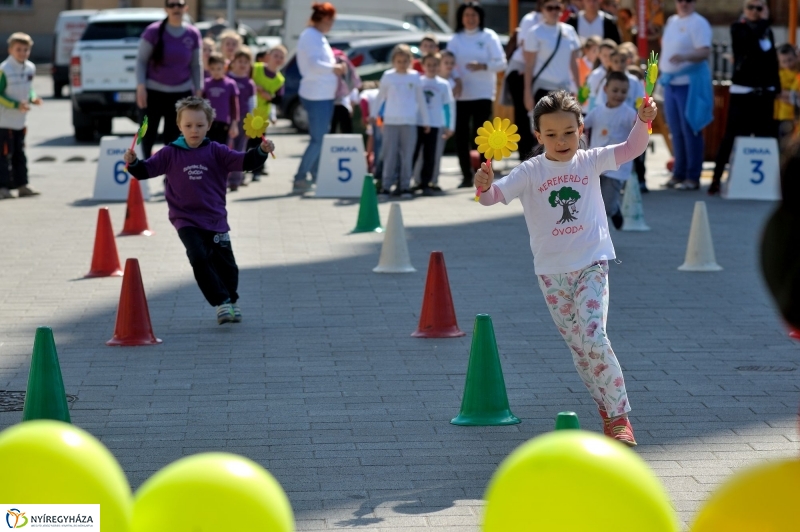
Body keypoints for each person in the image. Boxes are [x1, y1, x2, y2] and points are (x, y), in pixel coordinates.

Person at [474, 90, 658, 446]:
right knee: (580, 350)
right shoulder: (530, 171)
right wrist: (482, 186)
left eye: (569, 132)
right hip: (551, 273)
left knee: (594, 338)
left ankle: (620, 416)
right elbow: (492, 196)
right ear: (538, 136)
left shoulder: (589, 161)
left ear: (581, 128)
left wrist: (644, 119)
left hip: (591, 265)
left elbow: (632, 148)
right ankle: (605, 410)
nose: (562, 140)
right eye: (552, 134)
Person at [124, 97, 274, 325]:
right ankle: (221, 302)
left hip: (215, 218)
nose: (194, 130)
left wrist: (261, 151)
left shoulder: (217, 151)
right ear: (179, 126)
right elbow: (145, 171)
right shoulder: (170, 153)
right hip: (185, 220)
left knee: (227, 266)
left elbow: (245, 162)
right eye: (188, 126)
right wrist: (134, 162)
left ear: (209, 125)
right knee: (198, 257)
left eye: (200, 125)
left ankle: (232, 299)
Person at [708, 0, 779, 195]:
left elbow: (772, 61)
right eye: (751, 7)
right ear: (744, 9)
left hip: (764, 92)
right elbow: (748, 48)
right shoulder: (738, 28)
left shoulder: (768, 32)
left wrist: (777, 87)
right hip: (742, 92)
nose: (755, 12)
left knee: (766, 135)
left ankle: (770, 183)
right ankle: (716, 179)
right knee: (731, 135)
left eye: (759, 8)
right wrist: (765, 22)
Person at [446, 1, 507, 188]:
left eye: (473, 15)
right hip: (461, 95)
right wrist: (455, 79)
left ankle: (485, 174)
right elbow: (448, 63)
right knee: (461, 137)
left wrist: (483, 66)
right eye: (466, 15)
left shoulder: (488, 36)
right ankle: (466, 175)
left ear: (480, 17)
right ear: (461, 18)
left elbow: (501, 63)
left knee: (483, 136)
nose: (470, 19)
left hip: (483, 93)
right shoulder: (455, 39)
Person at [136, 0, 203, 159]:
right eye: (171, 5)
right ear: (166, 9)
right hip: (153, 93)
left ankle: (171, 179)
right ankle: (142, 175)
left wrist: (199, 89)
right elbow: (141, 61)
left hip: (181, 93)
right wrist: (141, 87)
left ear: (185, 8)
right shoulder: (153, 31)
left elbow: (196, 64)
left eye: (179, 5)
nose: (176, 8)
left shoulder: (193, 33)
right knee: (147, 134)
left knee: (174, 139)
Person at [293, 2, 347, 194]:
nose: (332, 24)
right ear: (324, 18)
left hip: (320, 93)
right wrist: (336, 68)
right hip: (317, 94)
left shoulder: (314, 35)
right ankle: (300, 177)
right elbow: (315, 64)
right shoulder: (311, 36)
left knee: (319, 139)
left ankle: (314, 176)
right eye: (331, 20)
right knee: (318, 139)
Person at [659, 0, 713, 191]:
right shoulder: (672, 20)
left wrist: (685, 57)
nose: (684, 3)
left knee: (691, 129)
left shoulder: (698, 22)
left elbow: (704, 51)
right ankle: (678, 172)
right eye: (680, 0)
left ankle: (692, 176)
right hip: (671, 83)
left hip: (688, 84)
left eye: (688, 0)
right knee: (676, 130)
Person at [372, 44, 430, 198]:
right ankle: (386, 186)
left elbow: (421, 100)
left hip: (409, 121)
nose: (402, 64)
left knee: (407, 155)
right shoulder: (388, 76)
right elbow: (380, 97)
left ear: (410, 60)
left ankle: (405, 186)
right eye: (399, 61)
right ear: (393, 61)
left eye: (405, 61)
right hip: (391, 121)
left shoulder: (415, 76)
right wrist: (373, 114)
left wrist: (426, 120)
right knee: (390, 155)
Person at [584, 71, 638, 228]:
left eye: (623, 91)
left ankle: (614, 210)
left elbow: (638, 130)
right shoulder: (597, 111)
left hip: (617, 166)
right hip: (596, 163)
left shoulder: (629, 113)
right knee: (592, 201)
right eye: (615, 90)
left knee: (607, 205)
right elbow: (582, 126)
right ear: (605, 89)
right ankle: (593, 235)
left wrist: (642, 121)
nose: (619, 95)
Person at [0, 32, 42, 200]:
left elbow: (28, 87)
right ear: (10, 50)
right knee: (3, 155)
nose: (22, 53)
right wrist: (16, 105)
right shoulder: (4, 69)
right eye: (19, 49)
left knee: (20, 153)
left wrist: (33, 98)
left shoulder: (30, 67)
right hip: (3, 121)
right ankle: (3, 187)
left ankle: (22, 185)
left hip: (20, 121)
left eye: (26, 50)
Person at [523, 0, 582, 118]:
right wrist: (527, 92)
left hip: (564, 89)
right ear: (542, 9)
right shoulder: (535, 32)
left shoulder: (569, 30)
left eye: (557, 7)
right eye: (550, 8)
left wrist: (579, 88)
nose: (554, 11)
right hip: (542, 88)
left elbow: (573, 62)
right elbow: (529, 65)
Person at [413, 52, 455, 195]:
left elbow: (448, 105)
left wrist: (450, 125)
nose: (431, 67)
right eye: (428, 65)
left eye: (435, 65)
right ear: (423, 65)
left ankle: (427, 182)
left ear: (439, 66)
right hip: (418, 123)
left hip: (436, 124)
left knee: (430, 155)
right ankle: (416, 181)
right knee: (417, 154)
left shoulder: (443, 84)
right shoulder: (418, 81)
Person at [504, 5, 542, 159]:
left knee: (541, 116)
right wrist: (528, 71)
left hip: (541, 74)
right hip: (521, 71)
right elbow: (526, 48)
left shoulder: (563, 20)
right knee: (523, 116)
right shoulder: (529, 19)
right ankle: (525, 158)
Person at [249, 44, 286, 182]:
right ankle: (240, 170)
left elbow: (278, 99)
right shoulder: (256, 68)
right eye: (275, 55)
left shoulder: (280, 80)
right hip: (247, 111)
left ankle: (257, 171)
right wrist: (254, 87)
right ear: (269, 56)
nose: (278, 59)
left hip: (261, 115)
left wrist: (266, 94)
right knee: (245, 143)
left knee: (259, 144)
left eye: (281, 57)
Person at [227, 47, 257, 191]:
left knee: (240, 150)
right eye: (240, 61)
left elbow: (252, 103)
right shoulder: (227, 79)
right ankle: (223, 179)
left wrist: (251, 122)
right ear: (233, 62)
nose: (243, 64)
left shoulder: (249, 83)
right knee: (226, 148)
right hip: (227, 119)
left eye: (246, 62)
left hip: (244, 120)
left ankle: (236, 180)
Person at [203, 53, 239, 145]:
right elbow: (201, 103)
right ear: (209, 68)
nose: (216, 72)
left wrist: (234, 124)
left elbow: (234, 106)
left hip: (224, 123)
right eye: (213, 69)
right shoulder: (206, 84)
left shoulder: (230, 84)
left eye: (219, 68)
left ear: (225, 67)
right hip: (208, 123)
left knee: (221, 149)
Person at [330, 48, 361, 133]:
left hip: (340, 104)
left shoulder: (346, 71)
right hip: (332, 104)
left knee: (342, 130)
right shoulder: (331, 70)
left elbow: (352, 87)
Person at [584, 38, 616, 112]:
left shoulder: (620, 72)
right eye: (605, 55)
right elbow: (591, 100)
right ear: (599, 55)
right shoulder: (595, 75)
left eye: (610, 55)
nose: (608, 58)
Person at [775, 44, 799, 139]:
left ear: (796, 57)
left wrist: (782, 94)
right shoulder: (777, 74)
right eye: (784, 62)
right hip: (778, 115)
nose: (788, 64)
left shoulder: (798, 74)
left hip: (793, 116)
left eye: (790, 60)